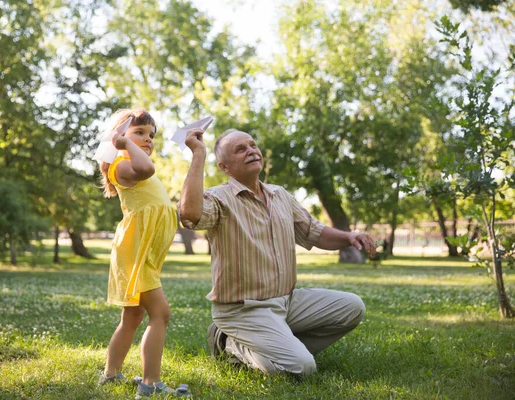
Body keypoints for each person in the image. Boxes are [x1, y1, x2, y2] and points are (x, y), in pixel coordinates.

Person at [179, 128, 376, 375]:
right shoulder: (219, 198)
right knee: (301, 368)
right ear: (224, 167)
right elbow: (189, 213)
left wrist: (349, 237)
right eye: (240, 149)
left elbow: (314, 232)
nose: (251, 151)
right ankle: (227, 342)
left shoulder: (280, 195)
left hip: (287, 302)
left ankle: (280, 346)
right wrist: (198, 154)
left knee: (353, 307)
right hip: (243, 309)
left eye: (252, 145)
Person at [97, 108, 190, 398]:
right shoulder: (122, 167)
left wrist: (130, 143)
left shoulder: (134, 162)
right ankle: (150, 383)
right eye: (139, 132)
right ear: (118, 137)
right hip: (134, 254)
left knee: (132, 318)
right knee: (161, 313)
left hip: (143, 253)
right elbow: (147, 169)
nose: (148, 139)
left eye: (151, 135)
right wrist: (122, 146)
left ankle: (110, 375)